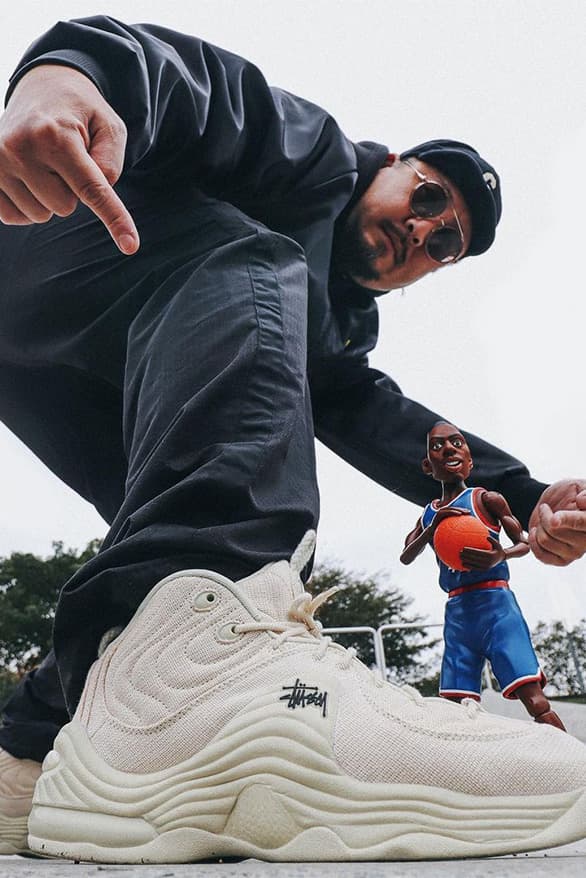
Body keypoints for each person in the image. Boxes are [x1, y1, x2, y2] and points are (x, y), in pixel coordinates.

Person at [0, 15, 585, 863]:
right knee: (253, 288)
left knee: (194, 536)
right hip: (45, 230)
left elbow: (377, 418)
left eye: (445, 242)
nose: (422, 230)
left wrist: (526, 499)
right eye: (426, 198)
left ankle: (32, 756)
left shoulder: (336, 332)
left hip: (54, 369)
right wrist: (72, 75)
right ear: (391, 165)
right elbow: (200, 90)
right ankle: (204, 693)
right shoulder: (311, 155)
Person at [400, 421, 565, 729]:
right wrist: (432, 529)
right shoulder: (429, 514)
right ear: (427, 465)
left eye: (457, 443)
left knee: (535, 700)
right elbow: (406, 556)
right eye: (438, 446)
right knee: (453, 710)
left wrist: (501, 555)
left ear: (470, 460)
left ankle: (571, 755)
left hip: (496, 605)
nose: (449, 449)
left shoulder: (487, 499)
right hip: (458, 612)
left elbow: (524, 543)